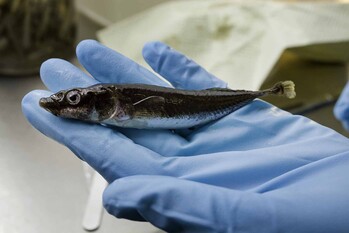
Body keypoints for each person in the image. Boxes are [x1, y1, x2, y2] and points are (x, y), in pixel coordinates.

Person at [22, 40, 349, 233]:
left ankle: (272, 91)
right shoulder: (112, 108)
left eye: (75, 99)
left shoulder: (118, 104)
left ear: (105, 100)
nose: (67, 104)